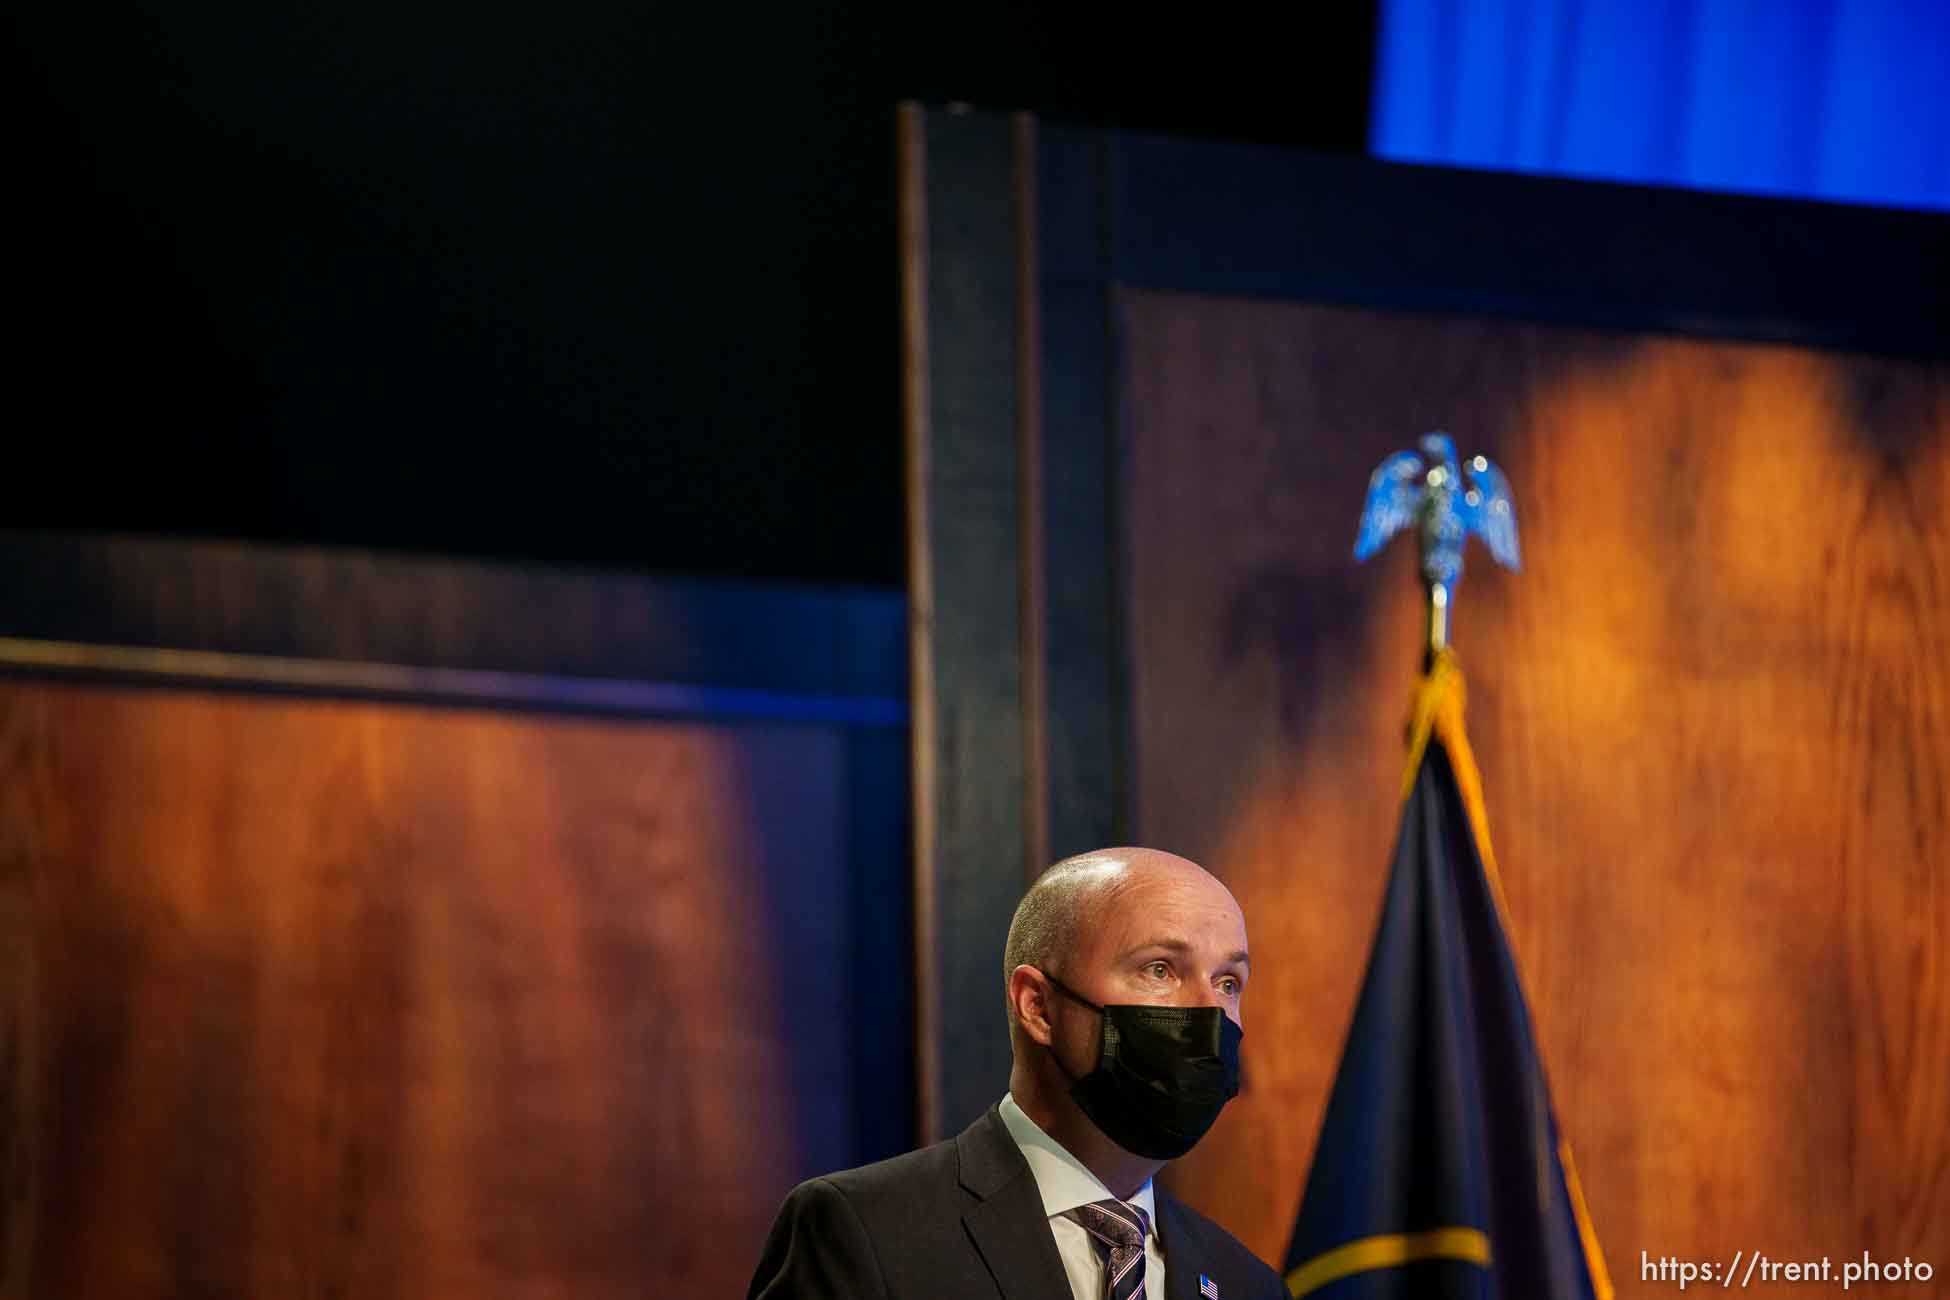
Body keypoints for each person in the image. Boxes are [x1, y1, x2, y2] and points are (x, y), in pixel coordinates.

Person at [748, 847, 1286, 1299]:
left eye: (1228, 982)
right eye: (1160, 969)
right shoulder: (864, 1230)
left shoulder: (1249, 1285)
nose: (1208, 1013)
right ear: (1038, 1006)